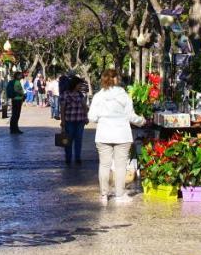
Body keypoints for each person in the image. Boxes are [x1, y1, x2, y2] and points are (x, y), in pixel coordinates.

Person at [88, 69, 145, 203]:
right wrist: (142, 121)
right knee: (120, 166)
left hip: (103, 135)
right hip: (122, 135)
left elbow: (91, 117)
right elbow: (131, 117)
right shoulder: (124, 96)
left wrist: (102, 119)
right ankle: (119, 195)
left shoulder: (98, 96)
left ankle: (104, 195)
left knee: (104, 165)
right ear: (117, 79)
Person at [60, 76, 89, 165]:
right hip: (69, 121)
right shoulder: (65, 94)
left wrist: (86, 116)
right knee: (68, 140)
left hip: (80, 121)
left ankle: (77, 157)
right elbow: (62, 109)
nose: (80, 86)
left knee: (78, 140)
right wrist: (63, 121)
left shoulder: (80, 94)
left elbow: (84, 107)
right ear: (74, 84)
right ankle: (68, 158)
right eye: (79, 84)